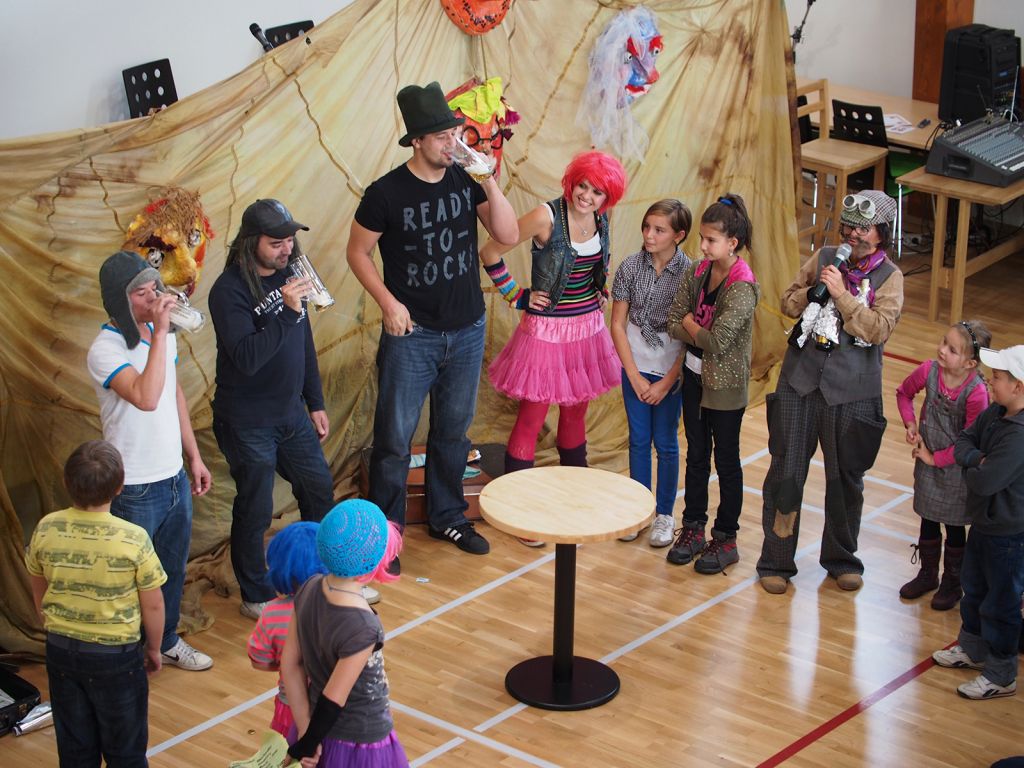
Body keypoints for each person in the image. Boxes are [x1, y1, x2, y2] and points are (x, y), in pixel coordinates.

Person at [347, 82, 518, 560]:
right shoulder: (384, 194)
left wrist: (488, 178)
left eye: (454, 134)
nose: (452, 143)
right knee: (394, 440)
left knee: (453, 433)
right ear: (417, 141)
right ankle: (386, 538)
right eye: (442, 137)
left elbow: (506, 234)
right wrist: (388, 303)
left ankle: (448, 518)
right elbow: (357, 252)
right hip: (412, 335)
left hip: (467, 328)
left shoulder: (465, 179)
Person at [209, 200, 371, 617]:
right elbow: (246, 357)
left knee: (318, 489)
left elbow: (302, 344)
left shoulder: (290, 276)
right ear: (251, 243)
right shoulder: (228, 291)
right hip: (247, 421)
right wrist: (285, 312)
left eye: (290, 241)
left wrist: (314, 402)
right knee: (256, 507)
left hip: (290, 414)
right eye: (276, 242)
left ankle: (324, 578)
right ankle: (256, 593)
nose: (287, 249)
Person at [757, 190, 904, 594]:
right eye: (848, 227)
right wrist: (814, 292)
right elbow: (788, 301)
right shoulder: (825, 258)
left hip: (853, 392)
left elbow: (878, 329)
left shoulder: (891, 278)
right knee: (786, 474)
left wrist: (842, 295)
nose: (853, 235)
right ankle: (776, 561)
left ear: (882, 233)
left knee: (845, 480)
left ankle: (841, 560)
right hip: (800, 382)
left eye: (863, 229)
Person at [480, 150, 626, 545]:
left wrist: (599, 288)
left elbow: (594, 264)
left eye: (597, 192)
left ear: (607, 198)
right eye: (583, 186)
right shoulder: (545, 216)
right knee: (532, 417)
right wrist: (517, 295)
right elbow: (490, 252)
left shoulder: (601, 218)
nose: (587, 196)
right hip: (547, 331)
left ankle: (572, 499)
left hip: (587, 329)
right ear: (571, 182)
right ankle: (519, 510)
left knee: (575, 415)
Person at [86, 250, 213, 671]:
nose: (154, 297)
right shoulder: (104, 350)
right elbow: (146, 396)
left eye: (154, 287)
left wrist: (193, 457)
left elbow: (173, 393)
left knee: (171, 569)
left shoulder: (163, 335)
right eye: (140, 293)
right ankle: (127, 653)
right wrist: (159, 334)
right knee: (130, 578)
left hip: (173, 477)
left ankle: (167, 640)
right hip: (133, 485)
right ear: (119, 301)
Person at [26, 440, 167, 767]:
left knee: (75, 750)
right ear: (119, 486)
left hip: (60, 650)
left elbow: (38, 587)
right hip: (115, 658)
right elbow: (154, 605)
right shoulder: (133, 538)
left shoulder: (46, 527)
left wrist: (54, 626)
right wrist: (154, 648)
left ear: (66, 482)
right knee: (125, 751)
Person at [665, 194, 760, 572]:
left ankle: (725, 537)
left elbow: (718, 341)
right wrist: (690, 327)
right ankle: (693, 528)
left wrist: (690, 324)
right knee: (697, 456)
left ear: (732, 243)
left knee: (727, 461)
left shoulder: (742, 286)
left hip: (724, 389)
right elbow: (672, 319)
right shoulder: (697, 272)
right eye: (702, 239)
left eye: (710, 240)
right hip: (693, 378)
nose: (702, 247)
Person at [281, 499, 407, 767]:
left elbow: (290, 664)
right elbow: (334, 698)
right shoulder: (363, 627)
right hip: (358, 741)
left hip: (314, 726)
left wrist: (305, 730)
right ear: (373, 560)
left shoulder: (309, 587)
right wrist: (308, 742)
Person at [932, 344, 1024, 700]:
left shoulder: (1019, 435)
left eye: (997, 377)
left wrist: (971, 466)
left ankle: (1001, 675)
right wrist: (976, 459)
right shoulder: (995, 412)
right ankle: (973, 649)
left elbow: (985, 481)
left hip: (1009, 534)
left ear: (1018, 386)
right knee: (974, 589)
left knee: (1001, 604)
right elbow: (964, 441)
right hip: (984, 524)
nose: (989, 381)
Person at [609, 199, 692, 547]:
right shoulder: (630, 267)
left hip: (670, 365)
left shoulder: (691, 274)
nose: (649, 235)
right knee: (639, 440)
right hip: (635, 362)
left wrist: (668, 381)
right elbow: (617, 324)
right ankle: (638, 509)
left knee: (666, 442)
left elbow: (690, 335)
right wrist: (633, 375)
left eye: (659, 230)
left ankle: (664, 515)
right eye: (646, 227)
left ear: (679, 235)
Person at [896, 320, 991, 609]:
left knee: (954, 526)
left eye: (952, 349)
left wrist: (934, 458)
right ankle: (928, 574)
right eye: (943, 342)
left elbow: (970, 442)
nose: (942, 350)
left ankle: (952, 581)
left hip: (956, 470)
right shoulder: (929, 370)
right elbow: (903, 393)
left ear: (970, 363)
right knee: (927, 518)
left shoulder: (976, 393)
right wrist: (910, 423)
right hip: (928, 464)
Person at [247, 521, 328, 739]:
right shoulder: (342, 607)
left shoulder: (272, 613)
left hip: (290, 706)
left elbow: (259, 661)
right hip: (335, 709)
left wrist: (287, 664)